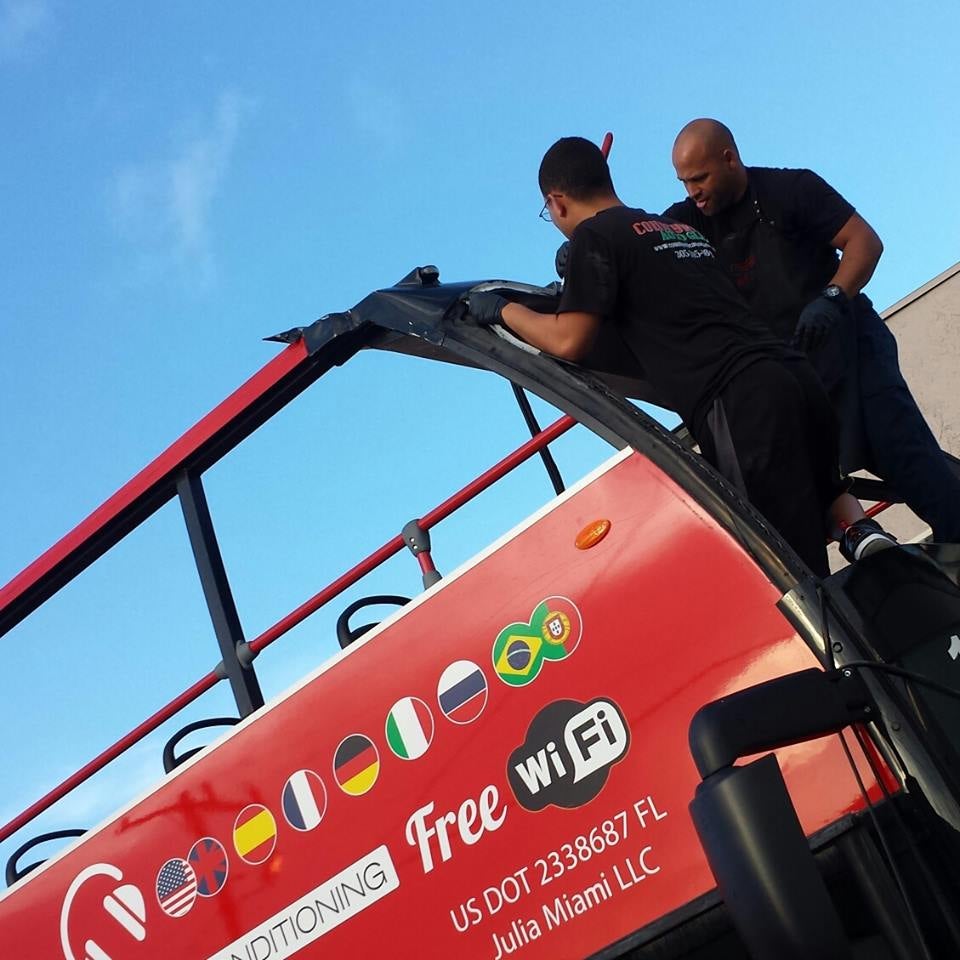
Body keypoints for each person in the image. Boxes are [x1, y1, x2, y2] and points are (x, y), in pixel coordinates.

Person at [467, 136, 895, 578]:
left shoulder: (595, 237)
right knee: (824, 496)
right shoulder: (676, 228)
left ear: (556, 203)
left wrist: (503, 310)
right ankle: (859, 531)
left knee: (788, 573)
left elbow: (569, 339)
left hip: (742, 403)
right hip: (796, 378)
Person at [665, 118, 960, 543]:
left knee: (907, 457)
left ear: (729, 159)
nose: (693, 191)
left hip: (853, 353)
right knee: (794, 497)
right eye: (684, 182)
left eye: (700, 178)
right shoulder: (686, 225)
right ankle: (868, 549)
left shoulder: (791, 190)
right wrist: (589, 247)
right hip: (793, 379)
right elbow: (640, 242)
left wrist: (833, 298)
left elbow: (864, 242)